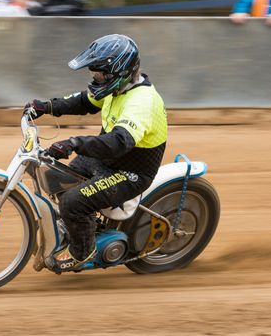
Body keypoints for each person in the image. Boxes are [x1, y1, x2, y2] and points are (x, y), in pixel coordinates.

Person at [24, 34, 168, 272]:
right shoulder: (117, 88)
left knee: (72, 202)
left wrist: (74, 143)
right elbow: (84, 102)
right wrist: (47, 106)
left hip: (129, 172)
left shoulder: (142, 101)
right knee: (56, 176)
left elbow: (119, 142)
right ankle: (83, 226)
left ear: (117, 72)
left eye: (99, 73)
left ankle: (82, 251)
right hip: (106, 159)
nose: (95, 77)